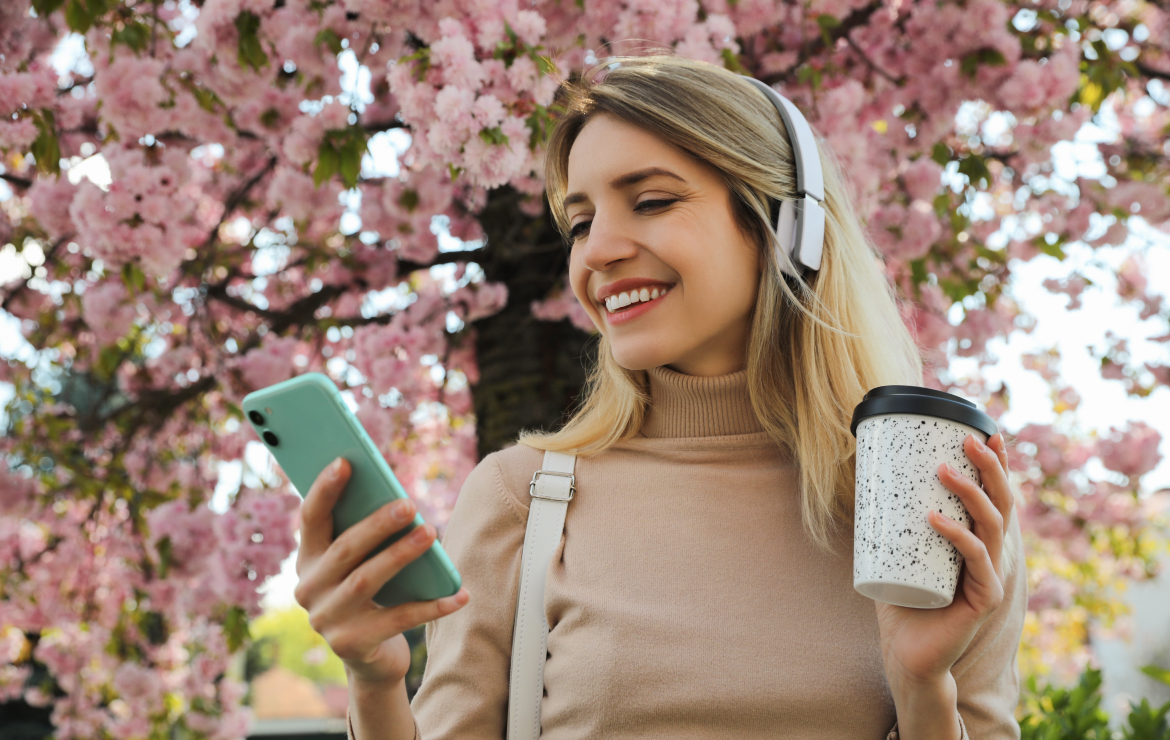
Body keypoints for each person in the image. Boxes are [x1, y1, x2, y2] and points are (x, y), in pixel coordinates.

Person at [293, 53, 1027, 740]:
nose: (598, 250)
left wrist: (921, 688)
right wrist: (376, 684)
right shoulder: (525, 501)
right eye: (580, 223)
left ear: (786, 226)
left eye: (649, 201)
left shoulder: (933, 501)